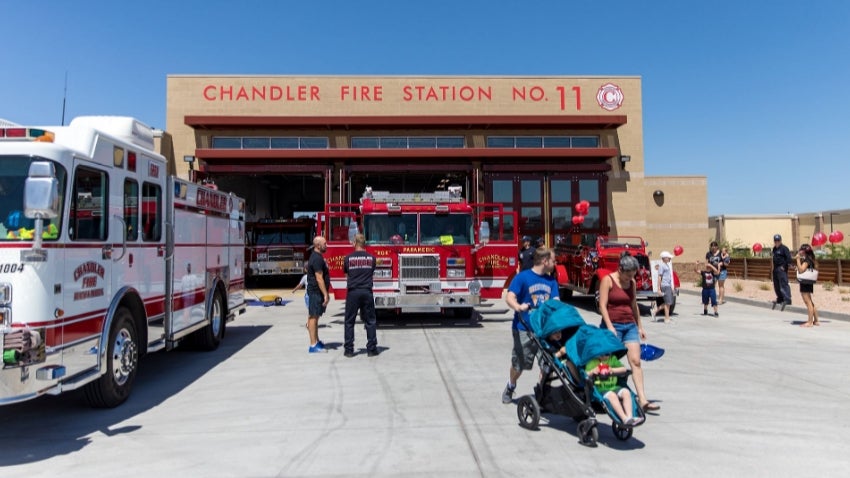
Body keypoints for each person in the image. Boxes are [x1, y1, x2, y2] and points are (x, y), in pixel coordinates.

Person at [598, 254, 659, 412]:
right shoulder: (608, 280)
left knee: (636, 362)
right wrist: (609, 326)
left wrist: (640, 326)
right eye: (628, 275)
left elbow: (634, 305)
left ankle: (643, 399)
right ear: (620, 269)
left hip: (629, 325)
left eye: (633, 275)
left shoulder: (631, 283)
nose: (630, 279)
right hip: (613, 325)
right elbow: (602, 306)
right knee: (609, 362)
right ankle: (607, 394)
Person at [502, 247, 559, 404]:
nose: (555, 264)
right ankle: (511, 385)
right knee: (519, 365)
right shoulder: (523, 277)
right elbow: (510, 297)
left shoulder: (552, 281)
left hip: (544, 330)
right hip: (523, 328)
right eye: (553, 261)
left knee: (547, 365)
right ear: (545, 261)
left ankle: (542, 395)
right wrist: (518, 307)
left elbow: (555, 301)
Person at [343, 233, 379, 357]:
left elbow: (346, 274)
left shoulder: (348, 258)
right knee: (370, 321)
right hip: (367, 291)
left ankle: (349, 350)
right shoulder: (371, 258)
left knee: (349, 321)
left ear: (355, 243)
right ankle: (372, 349)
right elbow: (371, 272)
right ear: (364, 244)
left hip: (353, 292)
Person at [586, 353, 643, 426]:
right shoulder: (592, 362)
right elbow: (585, 374)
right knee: (612, 395)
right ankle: (624, 418)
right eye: (601, 354)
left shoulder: (612, 359)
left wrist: (612, 370)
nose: (604, 356)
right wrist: (592, 371)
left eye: (607, 354)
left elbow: (623, 369)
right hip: (600, 389)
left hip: (614, 386)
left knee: (626, 392)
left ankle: (630, 417)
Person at [306, 236, 330, 353]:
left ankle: (316, 340)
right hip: (316, 292)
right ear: (318, 245)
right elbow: (319, 278)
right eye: (324, 243)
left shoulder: (318, 257)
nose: (326, 245)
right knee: (313, 317)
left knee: (316, 317)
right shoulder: (316, 259)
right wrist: (325, 294)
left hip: (317, 292)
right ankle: (313, 344)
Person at [795, 244, 820, 327]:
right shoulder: (811, 259)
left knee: (808, 302)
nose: (800, 251)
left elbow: (801, 270)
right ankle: (816, 320)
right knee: (810, 301)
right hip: (808, 282)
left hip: (805, 282)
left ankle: (810, 322)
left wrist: (798, 259)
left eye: (801, 250)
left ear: (804, 251)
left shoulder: (806, 260)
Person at [771, 234, 793, 310]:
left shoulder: (784, 248)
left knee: (783, 284)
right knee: (776, 284)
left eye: (778, 240)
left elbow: (789, 259)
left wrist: (784, 266)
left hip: (782, 268)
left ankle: (787, 299)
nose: (777, 242)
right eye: (775, 240)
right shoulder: (774, 249)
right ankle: (780, 298)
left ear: (780, 241)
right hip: (776, 269)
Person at [655, 251, 674, 323]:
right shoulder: (662, 266)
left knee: (668, 302)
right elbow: (659, 277)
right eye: (668, 257)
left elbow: (669, 277)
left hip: (668, 285)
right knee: (668, 303)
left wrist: (671, 286)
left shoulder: (667, 265)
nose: (669, 258)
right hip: (665, 285)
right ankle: (666, 318)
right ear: (664, 258)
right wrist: (658, 288)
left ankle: (655, 311)